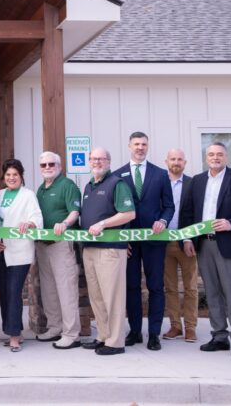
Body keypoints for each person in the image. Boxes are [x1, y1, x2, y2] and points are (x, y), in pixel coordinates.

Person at [179, 142, 231, 359]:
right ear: (206, 158)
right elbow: (187, 212)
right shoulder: (196, 181)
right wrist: (187, 238)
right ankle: (219, 336)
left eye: (220, 154)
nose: (215, 157)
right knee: (212, 292)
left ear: (226, 157)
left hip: (230, 244)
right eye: (211, 154)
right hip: (204, 244)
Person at [115, 132, 174, 351]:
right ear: (129, 146)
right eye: (136, 144)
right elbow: (115, 209)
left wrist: (163, 220)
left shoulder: (160, 174)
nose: (140, 147)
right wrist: (122, 236)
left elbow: (169, 205)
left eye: (144, 144)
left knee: (155, 286)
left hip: (154, 240)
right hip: (129, 242)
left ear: (148, 147)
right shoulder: (118, 175)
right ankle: (135, 331)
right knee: (131, 287)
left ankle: (154, 334)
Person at [79, 147, 136, 356]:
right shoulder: (88, 186)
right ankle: (102, 336)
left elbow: (129, 213)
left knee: (113, 297)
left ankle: (115, 342)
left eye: (101, 159)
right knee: (97, 297)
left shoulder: (117, 184)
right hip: (90, 249)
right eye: (93, 159)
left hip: (110, 250)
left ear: (109, 161)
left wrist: (103, 223)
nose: (97, 162)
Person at [0, 159, 43, 352]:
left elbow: (37, 217)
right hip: (0, 251)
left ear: (21, 177)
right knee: (4, 293)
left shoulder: (28, 195)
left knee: (14, 292)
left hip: (19, 251)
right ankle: (14, 330)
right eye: (8, 175)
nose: (11, 178)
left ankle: (14, 337)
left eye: (15, 175)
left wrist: (29, 224)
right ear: (4, 177)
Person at [35, 151, 82, 349]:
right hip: (43, 245)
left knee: (66, 290)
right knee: (49, 290)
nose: (48, 167)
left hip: (62, 244)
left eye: (51, 164)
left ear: (60, 166)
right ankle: (55, 327)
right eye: (44, 165)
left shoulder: (67, 185)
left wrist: (64, 223)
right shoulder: (41, 189)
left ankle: (71, 334)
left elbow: (75, 211)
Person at [162, 149, 197, 343]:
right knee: (170, 288)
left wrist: (189, 238)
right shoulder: (159, 183)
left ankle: (191, 327)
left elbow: (196, 213)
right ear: (166, 161)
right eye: (173, 159)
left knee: (191, 287)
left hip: (187, 242)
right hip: (165, 243)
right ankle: (175, 325)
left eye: (180, 159)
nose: (176, 162)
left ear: (185, 162)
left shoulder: (193, 184)